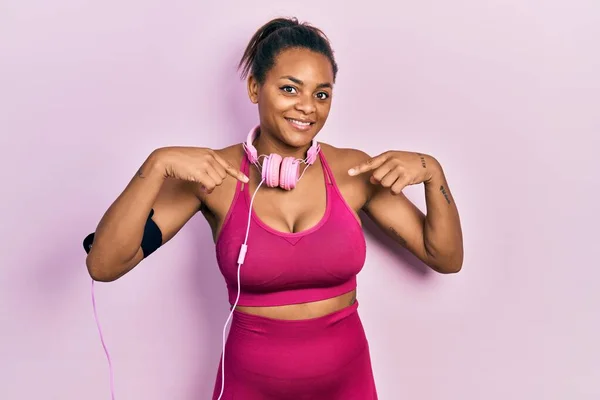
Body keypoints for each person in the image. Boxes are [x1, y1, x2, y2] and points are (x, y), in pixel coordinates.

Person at [84, 16, 464, 400]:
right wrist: (154, 166)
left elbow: (445, 257)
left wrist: (434, 174)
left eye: (321, 94)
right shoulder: (213, 177)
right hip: (249, 387)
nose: (307, 108)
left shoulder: (353, 172)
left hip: (347, 385)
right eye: (289, 88)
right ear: (254, 88)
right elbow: (104, 264)